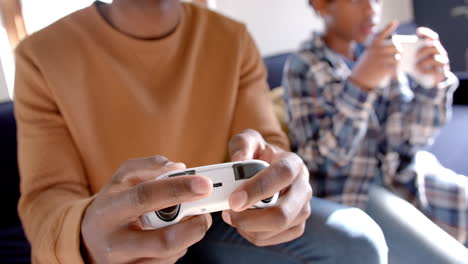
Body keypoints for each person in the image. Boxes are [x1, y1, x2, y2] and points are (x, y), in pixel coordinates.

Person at [14, 0, 388, 263]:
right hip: (119, 239)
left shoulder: (232, 38)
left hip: (223, 225)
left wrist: (278, 175)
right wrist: (84, 236)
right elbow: (47, 199)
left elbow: (268, 143)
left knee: (356, 240)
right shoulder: (40, 56)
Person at [283, 0, 468, 263]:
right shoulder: (303, 66)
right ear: (322, 5)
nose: (371, 9)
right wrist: (360, 85)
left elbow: (411, 140)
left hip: (406, 176)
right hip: (354, 191)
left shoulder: (383, 53)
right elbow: (322, 161)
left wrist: (434, 86)